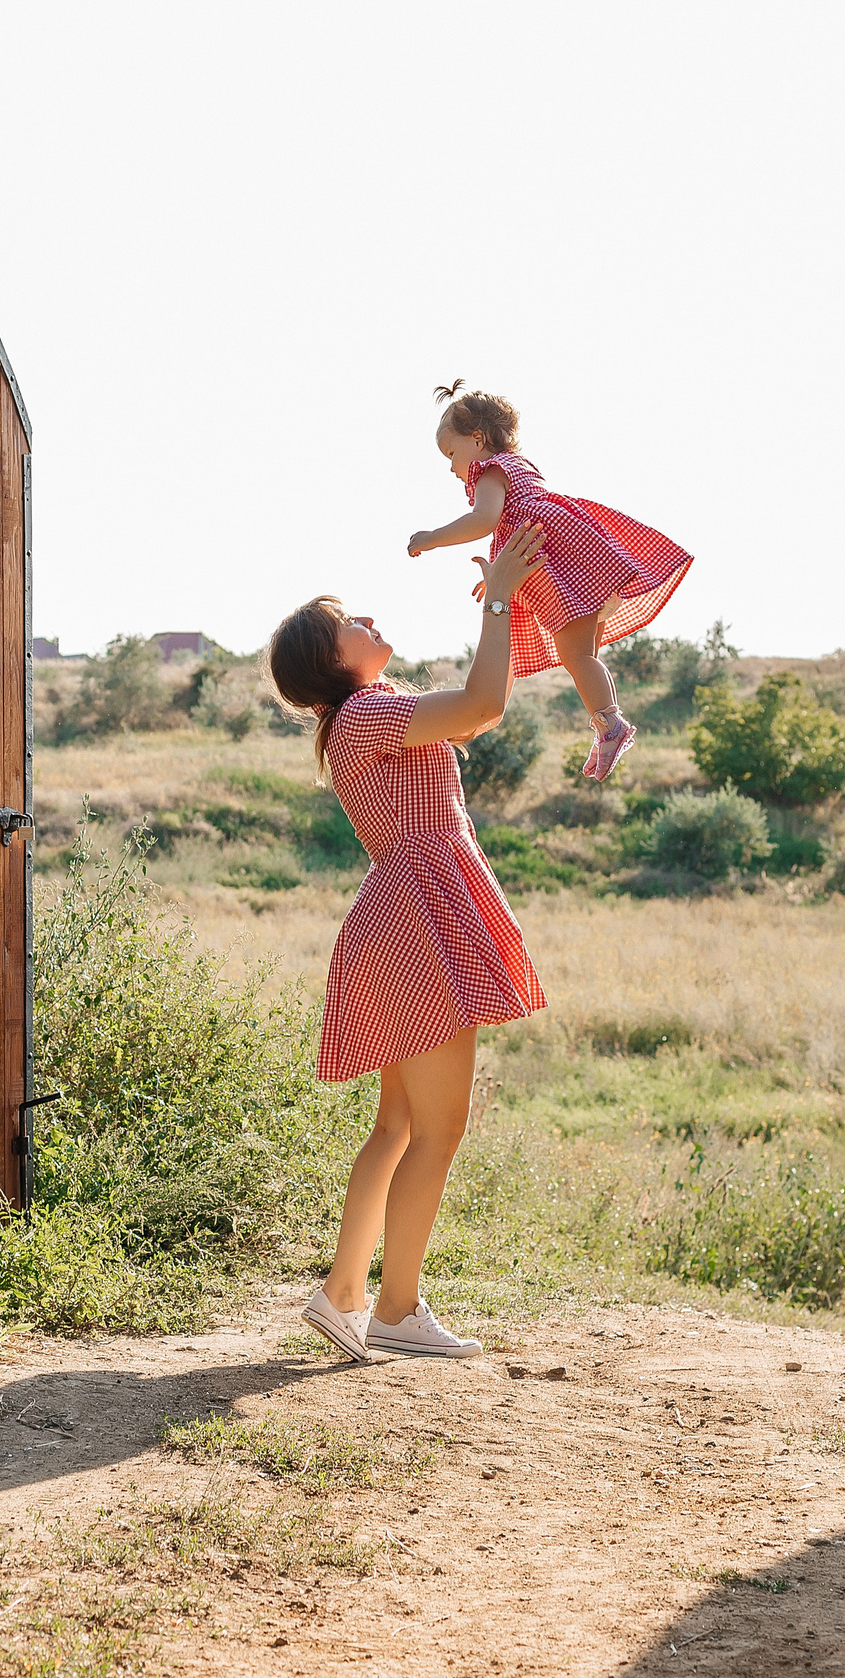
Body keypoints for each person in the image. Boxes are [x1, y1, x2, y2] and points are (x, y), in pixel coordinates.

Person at [265, 524, 554, 1362]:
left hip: (406, 912)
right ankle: (391, 1307)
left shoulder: (366, 716)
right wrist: (498, 596)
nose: (368, 621)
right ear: (334, 662)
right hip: (415, 916)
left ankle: (345, 1295)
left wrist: (512, 597)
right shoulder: (365, 717)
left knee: (398, 1124)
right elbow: (484, 706)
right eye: (348, 622)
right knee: (438, 1129)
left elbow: (476, 704)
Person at [405, 384, 692, 782]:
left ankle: (610, 726)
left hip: (559, 569)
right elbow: (514, 539)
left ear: (477, 439)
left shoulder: (489, 471)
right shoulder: (520, 465)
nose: (452, 467)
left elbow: (485, 521)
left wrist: (430, 538)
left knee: (576, 657)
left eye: (452, 454)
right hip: (582, 563)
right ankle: (607, 723)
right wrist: (498, 583)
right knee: (586, 656)